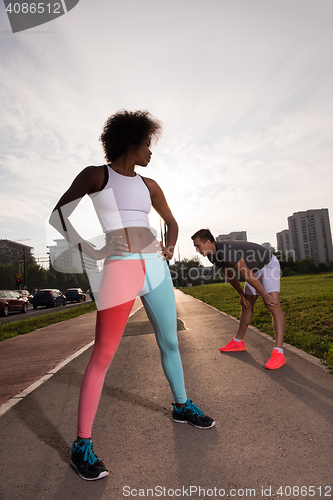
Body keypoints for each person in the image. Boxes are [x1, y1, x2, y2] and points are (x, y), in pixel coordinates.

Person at [50, 111, 215, 482]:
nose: (150, 152)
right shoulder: (97, 175)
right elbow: (58, 215)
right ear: (130, 141)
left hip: (155, 269)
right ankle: (82, 445)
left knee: (170, 341)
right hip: (120, 269)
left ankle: (181, 406)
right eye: (147, 145)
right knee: (103, 355)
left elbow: (172, 223)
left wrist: (170, 248)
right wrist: (91, 250)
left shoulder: (150, 185)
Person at [191, 229, 286, 370]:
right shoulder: (212, 256)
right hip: (253, 271)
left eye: (198, 246)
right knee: (246, 305)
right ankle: (238, 342)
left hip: (268, 265)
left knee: (272, 305)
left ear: (209, 242)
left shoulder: (225, 251)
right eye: (195, 247)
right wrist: (242, 294)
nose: (197, 250)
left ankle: (279, 353)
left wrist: (265, 295)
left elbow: (245, 273)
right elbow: (230, 275)